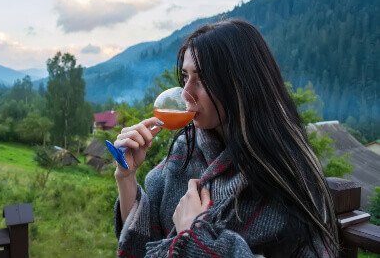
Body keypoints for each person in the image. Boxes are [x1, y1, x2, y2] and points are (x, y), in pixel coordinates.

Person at [112, 19, 338, 257]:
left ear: (239, 84)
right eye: (186, 76)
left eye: (201, 80)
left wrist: (192, 238)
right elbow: (143, 245)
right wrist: (126, 176)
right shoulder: (186, 151)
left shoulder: (283, 177)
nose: (186, 94)